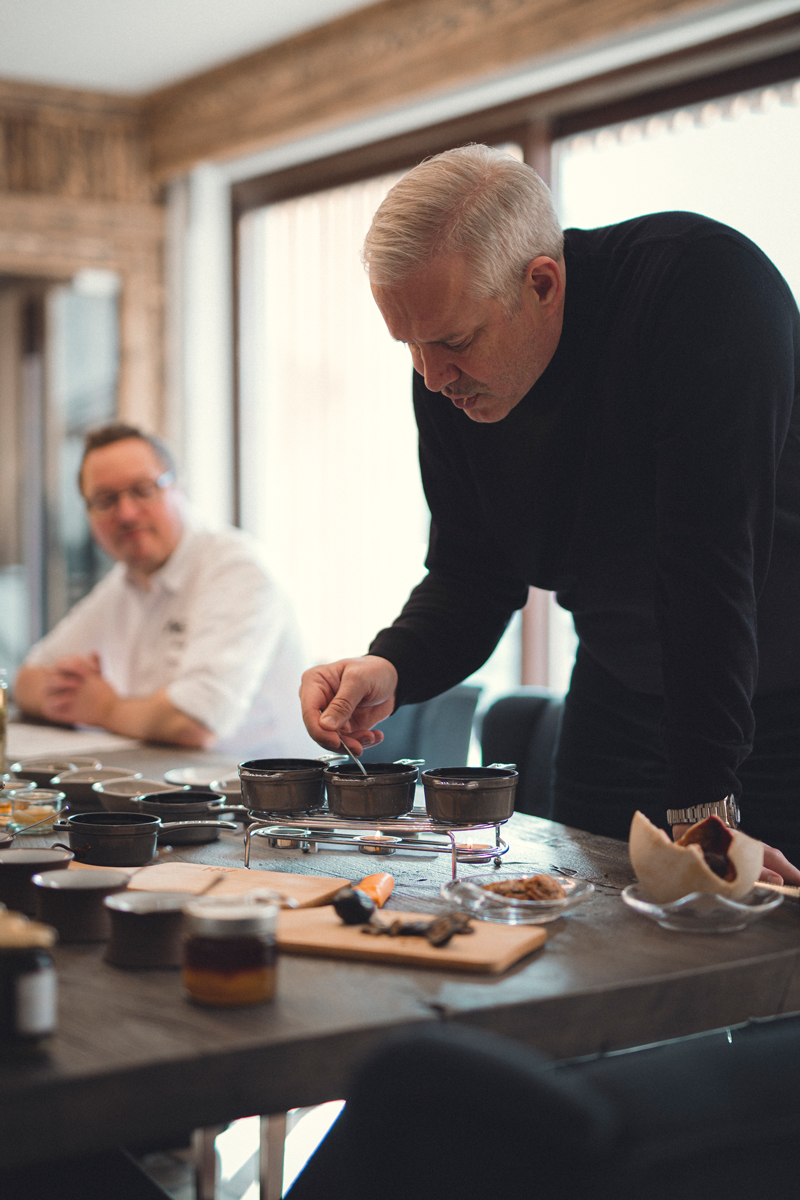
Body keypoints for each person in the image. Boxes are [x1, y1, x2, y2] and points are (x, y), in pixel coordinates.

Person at [299, 143, 800, 882]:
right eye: (410, 346)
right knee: (583, 913)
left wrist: (704, 806)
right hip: (620, 686)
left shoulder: (702, 288)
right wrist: (391, 664)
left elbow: (709, 569)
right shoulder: (448, 375)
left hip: (778, 693)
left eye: (453, 342)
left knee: (762, 938)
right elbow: (473, 572)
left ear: (542, 283)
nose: (432, 378)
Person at [16, 423, 314, 757]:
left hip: (259, 784)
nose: (126, 513)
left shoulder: (236, 568)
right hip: (168, 776)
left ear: (178, 487)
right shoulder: (125, 581)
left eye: (143, 490)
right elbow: (26, 680)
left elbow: (195, 722)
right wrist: (71, 692)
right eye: (105, 500)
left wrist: (103, 708)